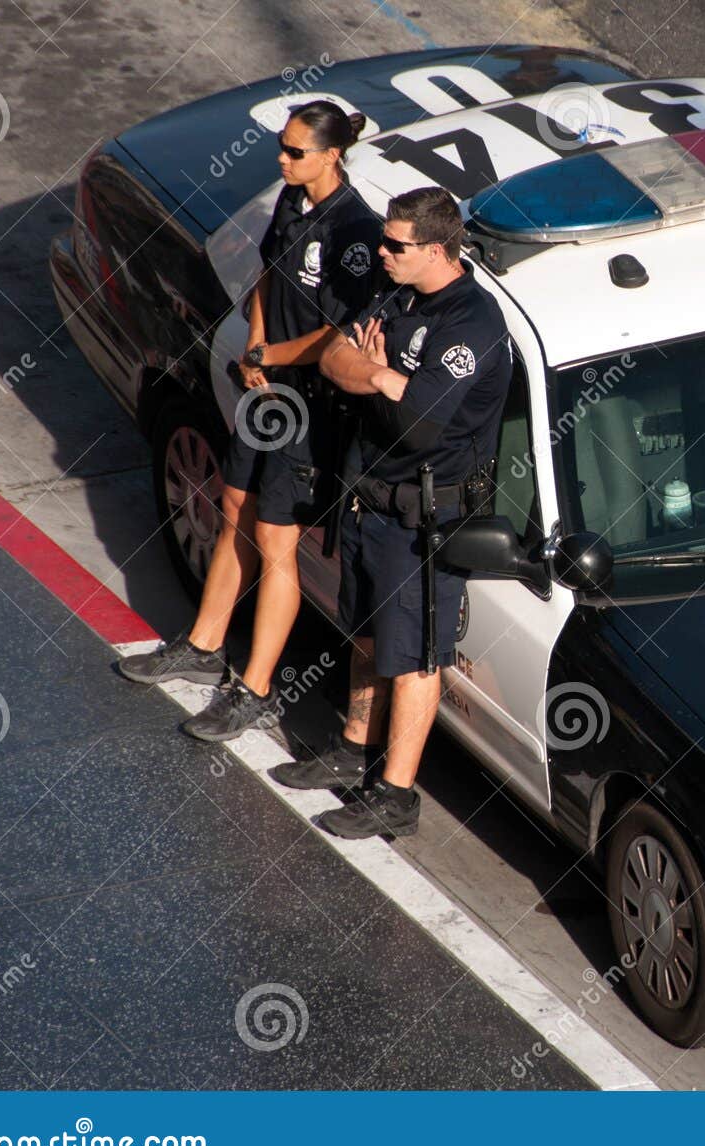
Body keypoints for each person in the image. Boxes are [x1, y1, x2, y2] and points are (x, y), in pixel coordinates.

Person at [118, 101, 381, 743]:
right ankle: (205, 643)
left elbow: (338, 335)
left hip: (311, 409)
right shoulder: (292, 203)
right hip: (267, 392)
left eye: (294, 152)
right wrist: (255, 348)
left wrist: (274, 357)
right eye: (282, 148)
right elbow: (267, 276)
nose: (281, 160)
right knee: (234, 507)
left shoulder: (356, 232)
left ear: (332, 155)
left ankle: (256, 687)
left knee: (276, 539)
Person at [270, 186, 512, 839]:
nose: (382, 252)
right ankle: (354, 745)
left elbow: (424, 421)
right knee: (367, 638)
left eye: (395, 245)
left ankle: (396, 791)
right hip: (369, 501)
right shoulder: (397, 290)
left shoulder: (473, 325)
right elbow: (333, 357)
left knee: (414, 658)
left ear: (435, 249)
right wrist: (376, 372)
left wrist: (377, 374)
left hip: (422, 522)